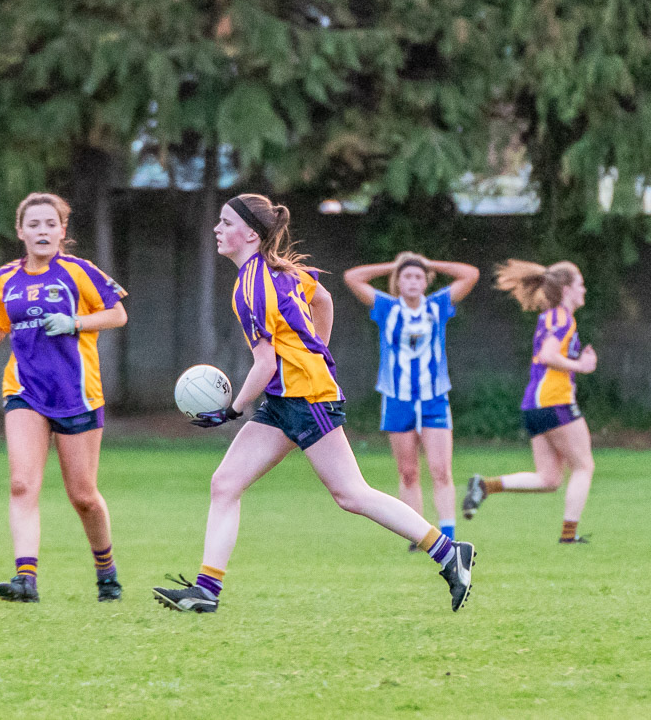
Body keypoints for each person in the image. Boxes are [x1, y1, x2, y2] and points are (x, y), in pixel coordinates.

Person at [153, 194, 475, 614]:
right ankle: (206, 591)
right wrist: (315, 348)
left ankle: (449, 552)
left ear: (250, 233)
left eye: (225, 222)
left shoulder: (252, 287)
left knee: (351, 494)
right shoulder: (282, 270)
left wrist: (232, 411)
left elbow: (265, 363)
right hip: (285, 398)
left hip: (306, 397)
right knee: (225, 484)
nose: (217, 228)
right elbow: (322, 299)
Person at [0, 192, 129, 603]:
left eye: (50, 224)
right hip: (25, 390)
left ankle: (106, 571)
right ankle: (26, 578)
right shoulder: (5, 278)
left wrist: (75, 322)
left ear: (63, 230)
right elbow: (1, 324)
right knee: (22, 483)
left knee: (83, 497)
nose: (42, 231)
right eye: (34, 225)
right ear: (20, 231)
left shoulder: (79, 272)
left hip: (77, 393)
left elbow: (117, 314)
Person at [343, 253, 480, 548]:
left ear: (426, 280)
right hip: (397, 399)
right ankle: (418, 535)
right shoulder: (387, 308)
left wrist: (431, 264)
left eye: (419, 276)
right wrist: (394, 265)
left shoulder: (437, 305)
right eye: (407, 276)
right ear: (398, 282)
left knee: (441, 470)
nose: (413, 281)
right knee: (408, 472)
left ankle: (449, 536)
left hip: (434, 399)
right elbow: (352, 277)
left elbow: (470, 274)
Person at [462, 260, 597, 543]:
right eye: (580, 283)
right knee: (584, 466)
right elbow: (548, 356)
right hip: (554, 401)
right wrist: (581, 366)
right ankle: (569, 536)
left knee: (548, 479)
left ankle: (485, 486)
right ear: (566, 288)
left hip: (534, 404)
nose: (584, 289)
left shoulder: (548, 317)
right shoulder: (562, 317)